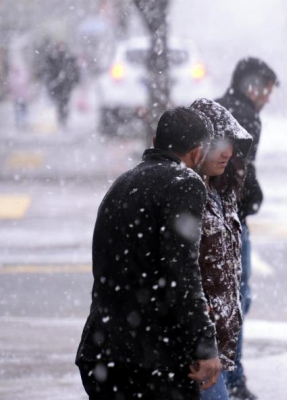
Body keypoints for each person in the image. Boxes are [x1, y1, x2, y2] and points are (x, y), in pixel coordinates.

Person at [76, 107, 221, 399]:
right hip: (151, 358)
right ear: (197, 153)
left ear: (155, 139)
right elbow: (181, 273)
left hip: (102, 350)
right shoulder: (185, 183)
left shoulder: (123, 182)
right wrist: (205, 345)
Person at [215, 57, 278, 400]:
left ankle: (226, 372)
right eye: (265, 90)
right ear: (251, 86)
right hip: (232, 218)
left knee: (223, 296)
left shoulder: (217, 107)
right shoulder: (246, 115)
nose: (267, 98)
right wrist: (254, 199)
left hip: (215, 214)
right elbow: (242, 172)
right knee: (237, 298)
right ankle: (231, 377)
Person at [190, 98, 254, 400]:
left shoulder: (223, 192)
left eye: (230, 143)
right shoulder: (186, 196)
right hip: (198, 346)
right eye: (218, 143)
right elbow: (182, 274)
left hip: (218, 345)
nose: (227, 152)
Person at [40, 42, 80, 128]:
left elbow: (74, 70)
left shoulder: (67, 59)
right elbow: (49, 71)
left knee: (64, 103)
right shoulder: (54, 59)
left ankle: (63, 119)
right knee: (60, 104)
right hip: (59, 86)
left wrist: (74, 80)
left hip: (65, 86)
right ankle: (62, 119)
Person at [9, 62, 34, 131]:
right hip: (17, 97)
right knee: (17, 111)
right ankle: (19, 123)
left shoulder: (23, 75)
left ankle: (25, 123)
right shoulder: (12, 76)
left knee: (24, 110)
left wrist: (29, 94)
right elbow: (11, 87)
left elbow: (26, 85)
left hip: (23, 96)